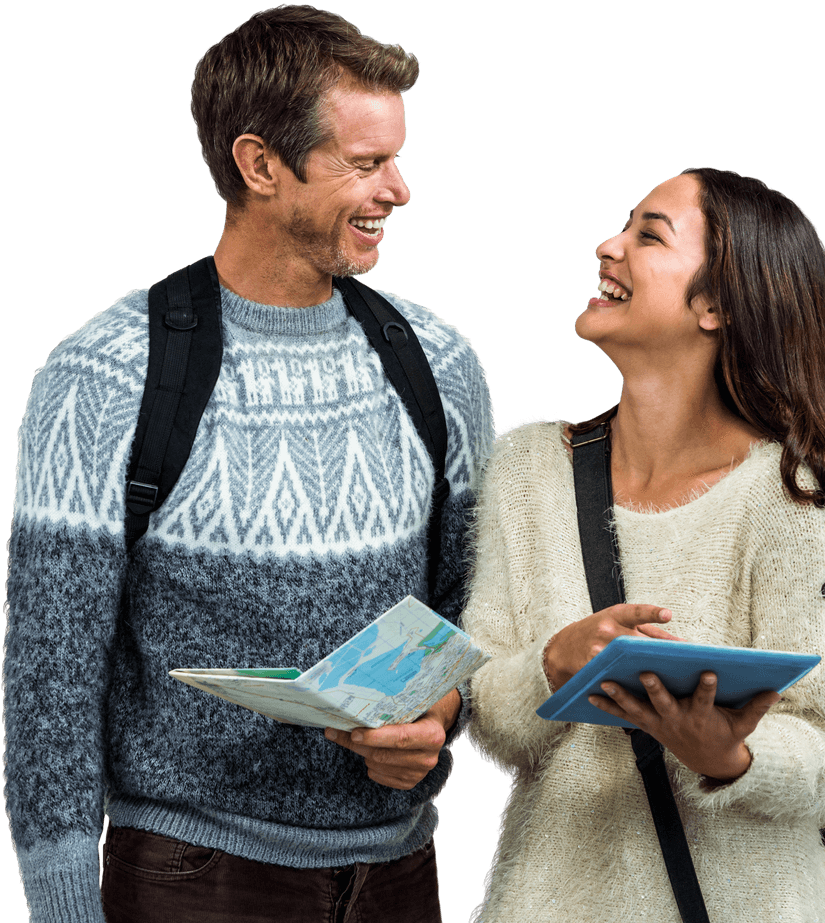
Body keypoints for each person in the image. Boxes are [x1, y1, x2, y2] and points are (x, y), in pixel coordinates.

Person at [3, 6, 493, 922]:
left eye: (396, 156)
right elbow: (50, 686)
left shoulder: (439, 362)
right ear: (261, 165)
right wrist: (63, 907)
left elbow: (475, 606)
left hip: (400, 874)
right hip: (189, 878)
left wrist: (441, 714)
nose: (400, 189)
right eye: (365, 163)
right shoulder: (105, 373)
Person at [461, 169, 825, 922]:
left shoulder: (792, 495)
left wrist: (729, 756)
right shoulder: (528, 469)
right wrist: (553, 662)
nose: (607, 246)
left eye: (648, 235)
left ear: (716, 303)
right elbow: (485, 715)